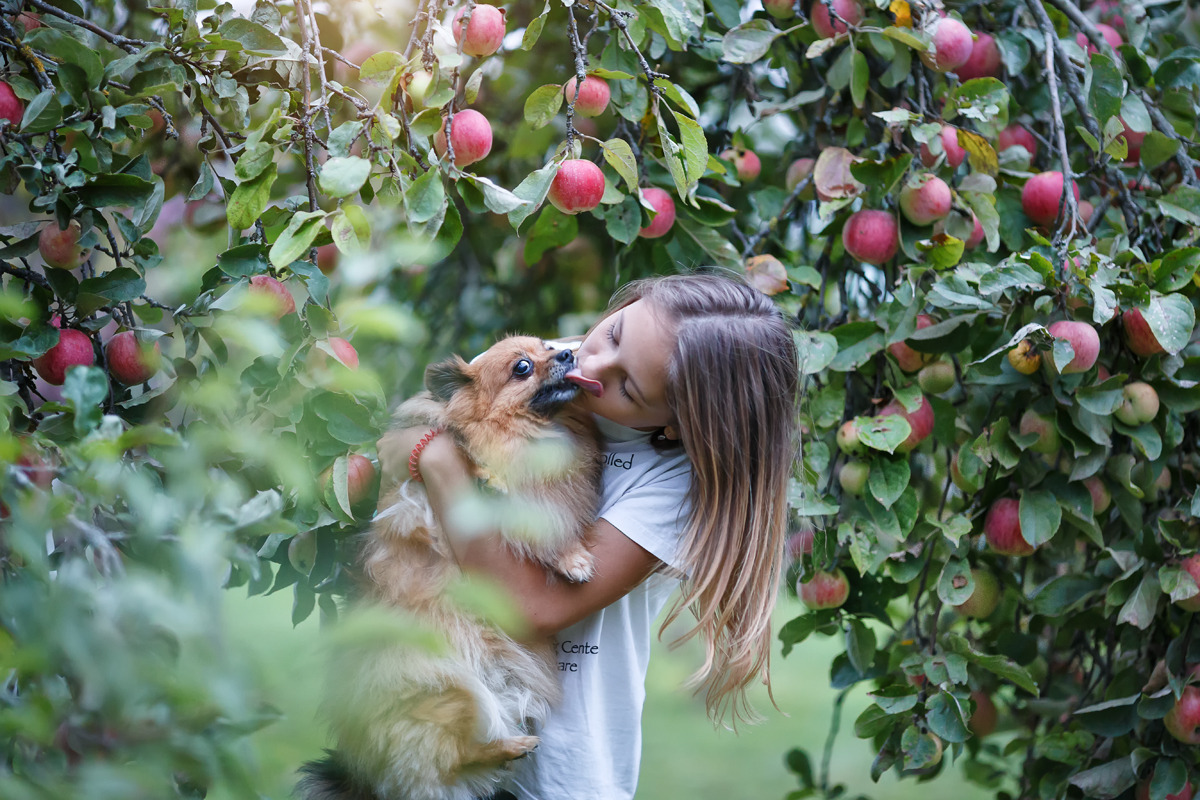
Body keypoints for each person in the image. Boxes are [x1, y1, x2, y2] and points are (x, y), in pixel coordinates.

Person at [376, 269, 801, 800]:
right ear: (630, 303)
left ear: (676, 425)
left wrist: (438, 461)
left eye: (628, 385)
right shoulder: (555, 366)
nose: (591, 363)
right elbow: (447, 417)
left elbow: (533, 607)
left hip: (562, 772)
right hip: (446, 717)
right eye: (615, 333)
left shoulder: (673, 481)